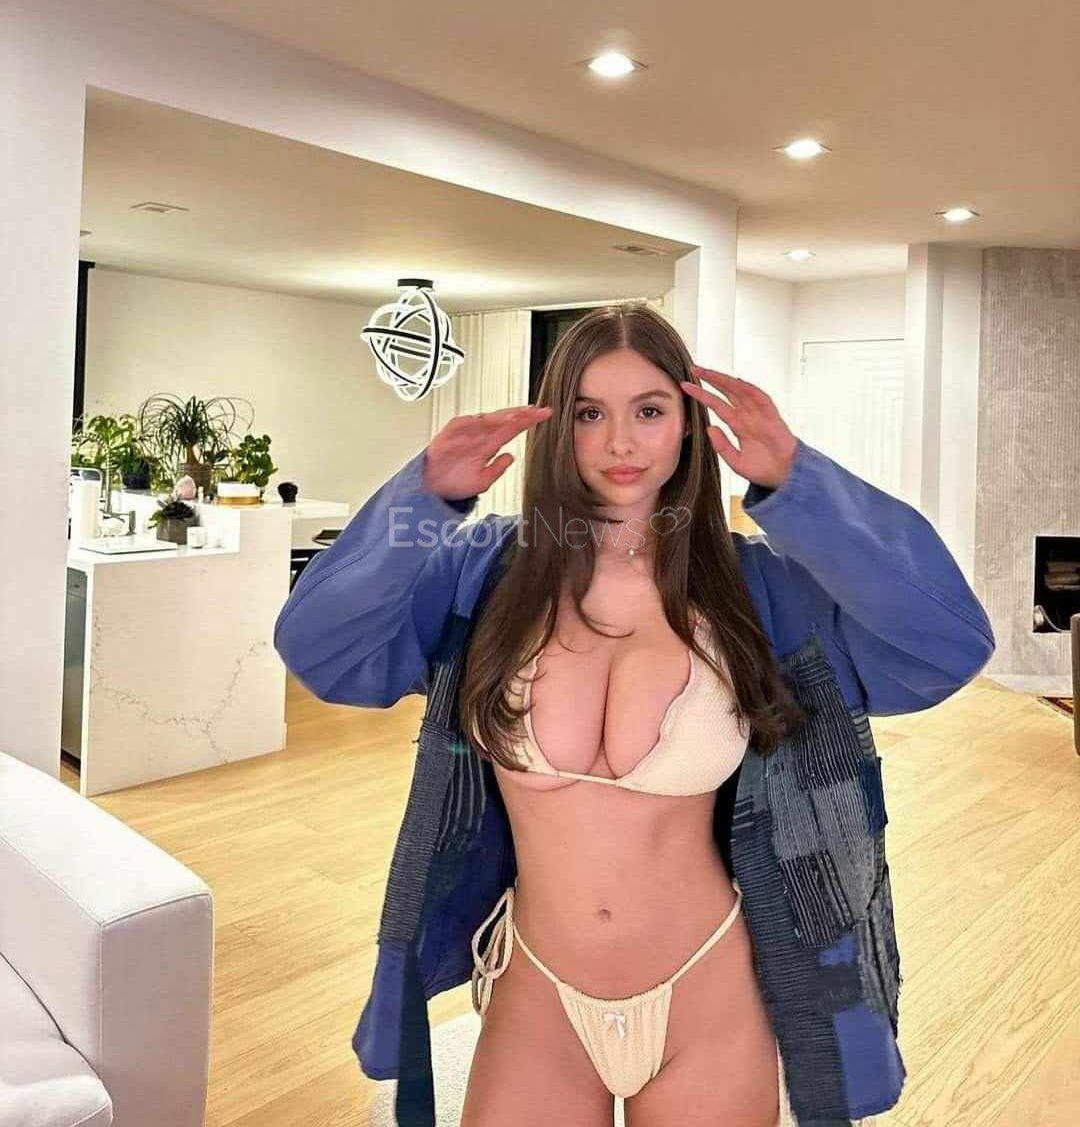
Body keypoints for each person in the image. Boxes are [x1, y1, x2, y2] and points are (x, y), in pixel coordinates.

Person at [274, 304, 996, 1127]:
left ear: (689, 424)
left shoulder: (757, 590)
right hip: (537, 991)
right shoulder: (485, 575)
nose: (620, 442)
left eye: (649, 410)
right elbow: (321, 651)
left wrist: (799, 483)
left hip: (710, 989)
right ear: (558, 428)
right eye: (590, 413)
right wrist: (425, 495)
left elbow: (946, 646)